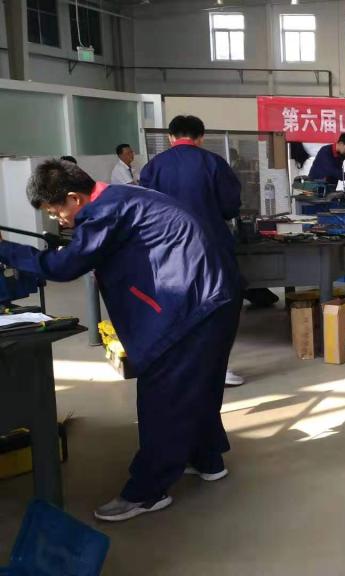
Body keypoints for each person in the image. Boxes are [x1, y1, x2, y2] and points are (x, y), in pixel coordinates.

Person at [0, 159, 241, 522]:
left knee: (163, 398)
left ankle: (147, 492)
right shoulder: (121, 198)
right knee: (198, 387)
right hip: (213, 299)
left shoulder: (105, 212)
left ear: (74, 198)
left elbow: (64, 267)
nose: (57, 220)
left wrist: (6, 249)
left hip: (189, 308)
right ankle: (208, 461)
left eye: (55, 211)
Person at [139, 115, 253, 387]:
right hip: (209, 246)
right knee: (218, 306)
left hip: (167, 251)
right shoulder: (214, 163)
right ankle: (217, 369)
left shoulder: (153, 167)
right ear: (201, 137)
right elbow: (229, 207)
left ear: (170, 137)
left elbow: (144, 209)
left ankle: (179, 370)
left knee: (175, 309)